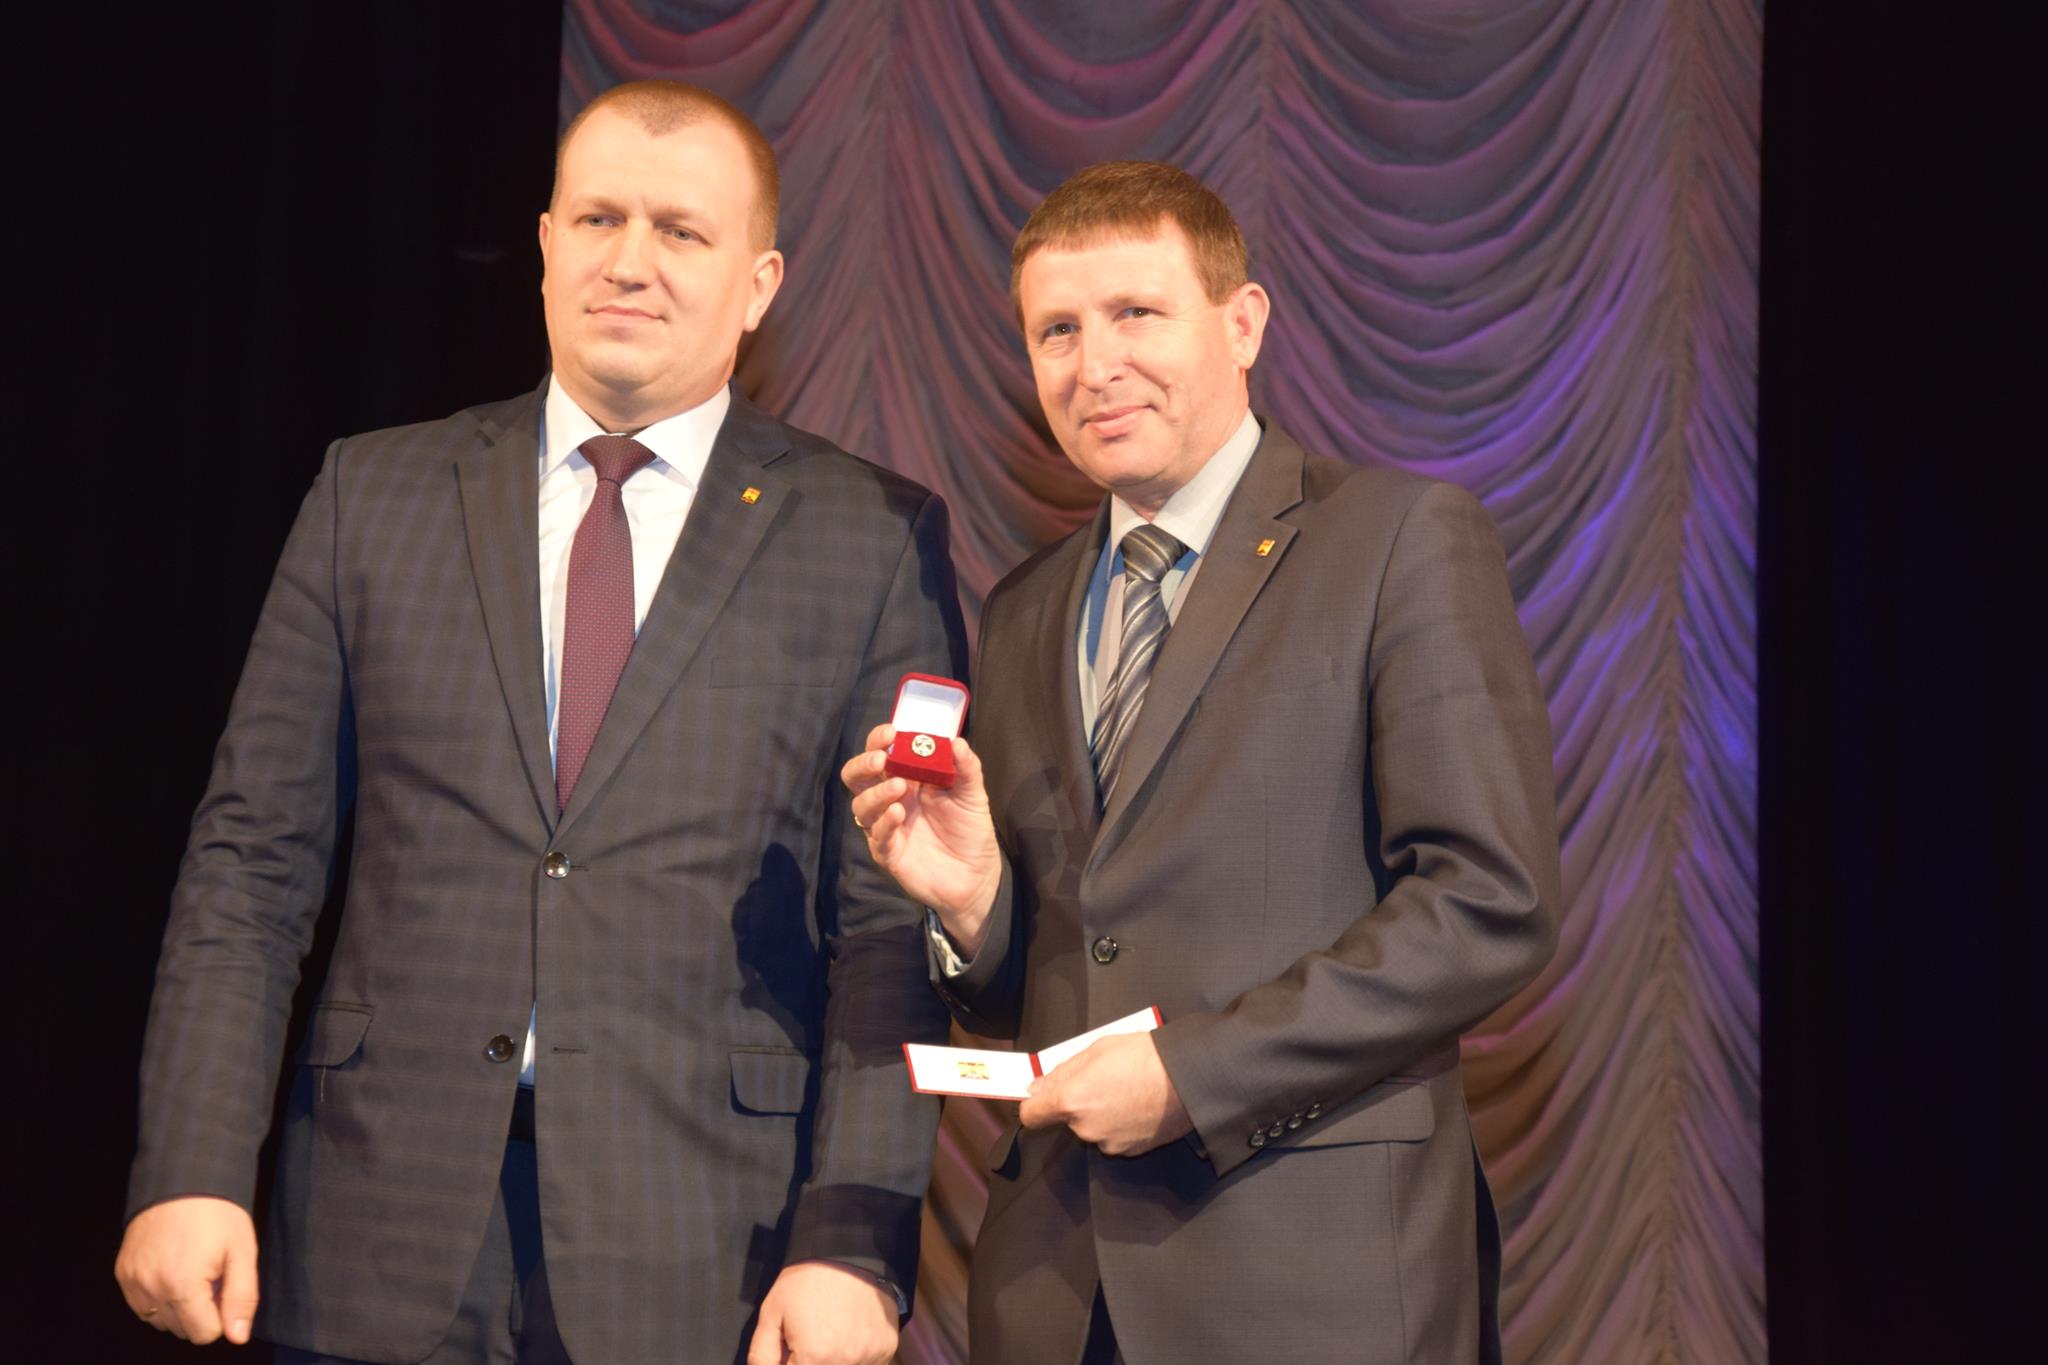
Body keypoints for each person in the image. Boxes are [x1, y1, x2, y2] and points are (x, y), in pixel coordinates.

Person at [113, 81, 963, 1365]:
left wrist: (852, 1245)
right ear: (548, 243)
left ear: (759, 284)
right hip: (372, 1231)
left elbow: (890, 926)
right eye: (599, 219)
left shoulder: (870, 537)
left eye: (681, 231)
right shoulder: (372, 491)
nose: (629, 261)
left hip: (705, 1254)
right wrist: (189, 1165)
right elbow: (251, 865)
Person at [843, 161, 1561, 1363]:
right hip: (1056, 1292)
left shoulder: (1396, 539)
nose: (1093, 364)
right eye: (1056, 331)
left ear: (1242, 323)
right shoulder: (1021, 608)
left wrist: (1192, 1074)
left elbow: (1487, 904)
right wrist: (974, 908)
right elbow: (1065, 972)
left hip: (1315, 1282)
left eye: (1135, 313)